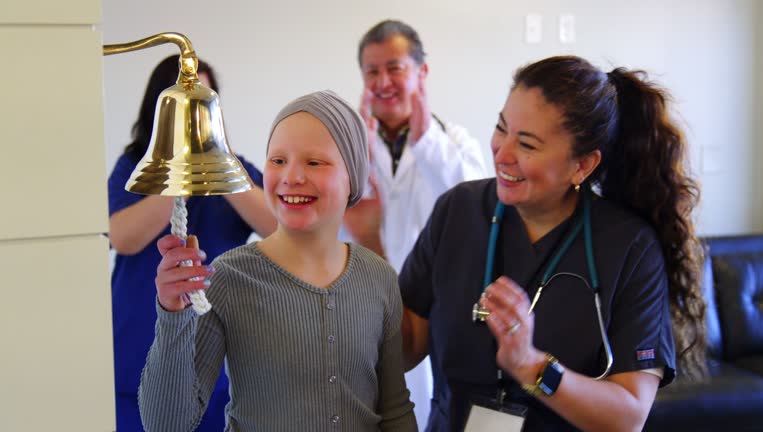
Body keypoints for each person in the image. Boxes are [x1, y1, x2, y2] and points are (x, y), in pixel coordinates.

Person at [399, 55, 708, 431]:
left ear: (582, 166)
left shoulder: (629, 248)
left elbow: (628, 415)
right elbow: (409, 338)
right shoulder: (458, 211)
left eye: (527, 144)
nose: (502, 152)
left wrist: (531, 366)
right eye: (501, 127)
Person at [138, 90, 418, 431]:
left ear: (353, 178)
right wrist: (172, 315)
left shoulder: (379, 278)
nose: (292, 177)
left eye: (314, 162)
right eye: (278, 160)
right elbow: (166, 424)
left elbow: (395, 410)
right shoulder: (228, 277)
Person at [108, 55, 276, 432]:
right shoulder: (135, 166)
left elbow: (278, 228)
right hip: (135, 352)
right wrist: (180, 167)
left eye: (202, 105)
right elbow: (123, 236)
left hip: (213, 362)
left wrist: (217, 158)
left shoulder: (234, 171)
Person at [343, 19, 488, 427]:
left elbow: (481, 207)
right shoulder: (346, 148)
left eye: (395, 68)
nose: (383, 82)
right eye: (372, 71)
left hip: (433, 315)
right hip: (361, 306)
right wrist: (354, 153)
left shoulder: (453, 142)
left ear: (421, 72)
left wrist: (427, 142)